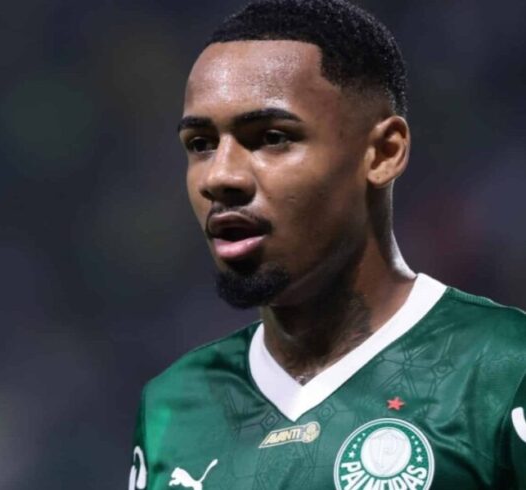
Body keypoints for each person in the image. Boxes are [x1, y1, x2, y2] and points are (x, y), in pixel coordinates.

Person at [127, 1, 526, 489]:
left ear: (382, 153)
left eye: (271, 137)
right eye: (201, 144)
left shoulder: (504, 369)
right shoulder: (173, 404)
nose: (220, 176)